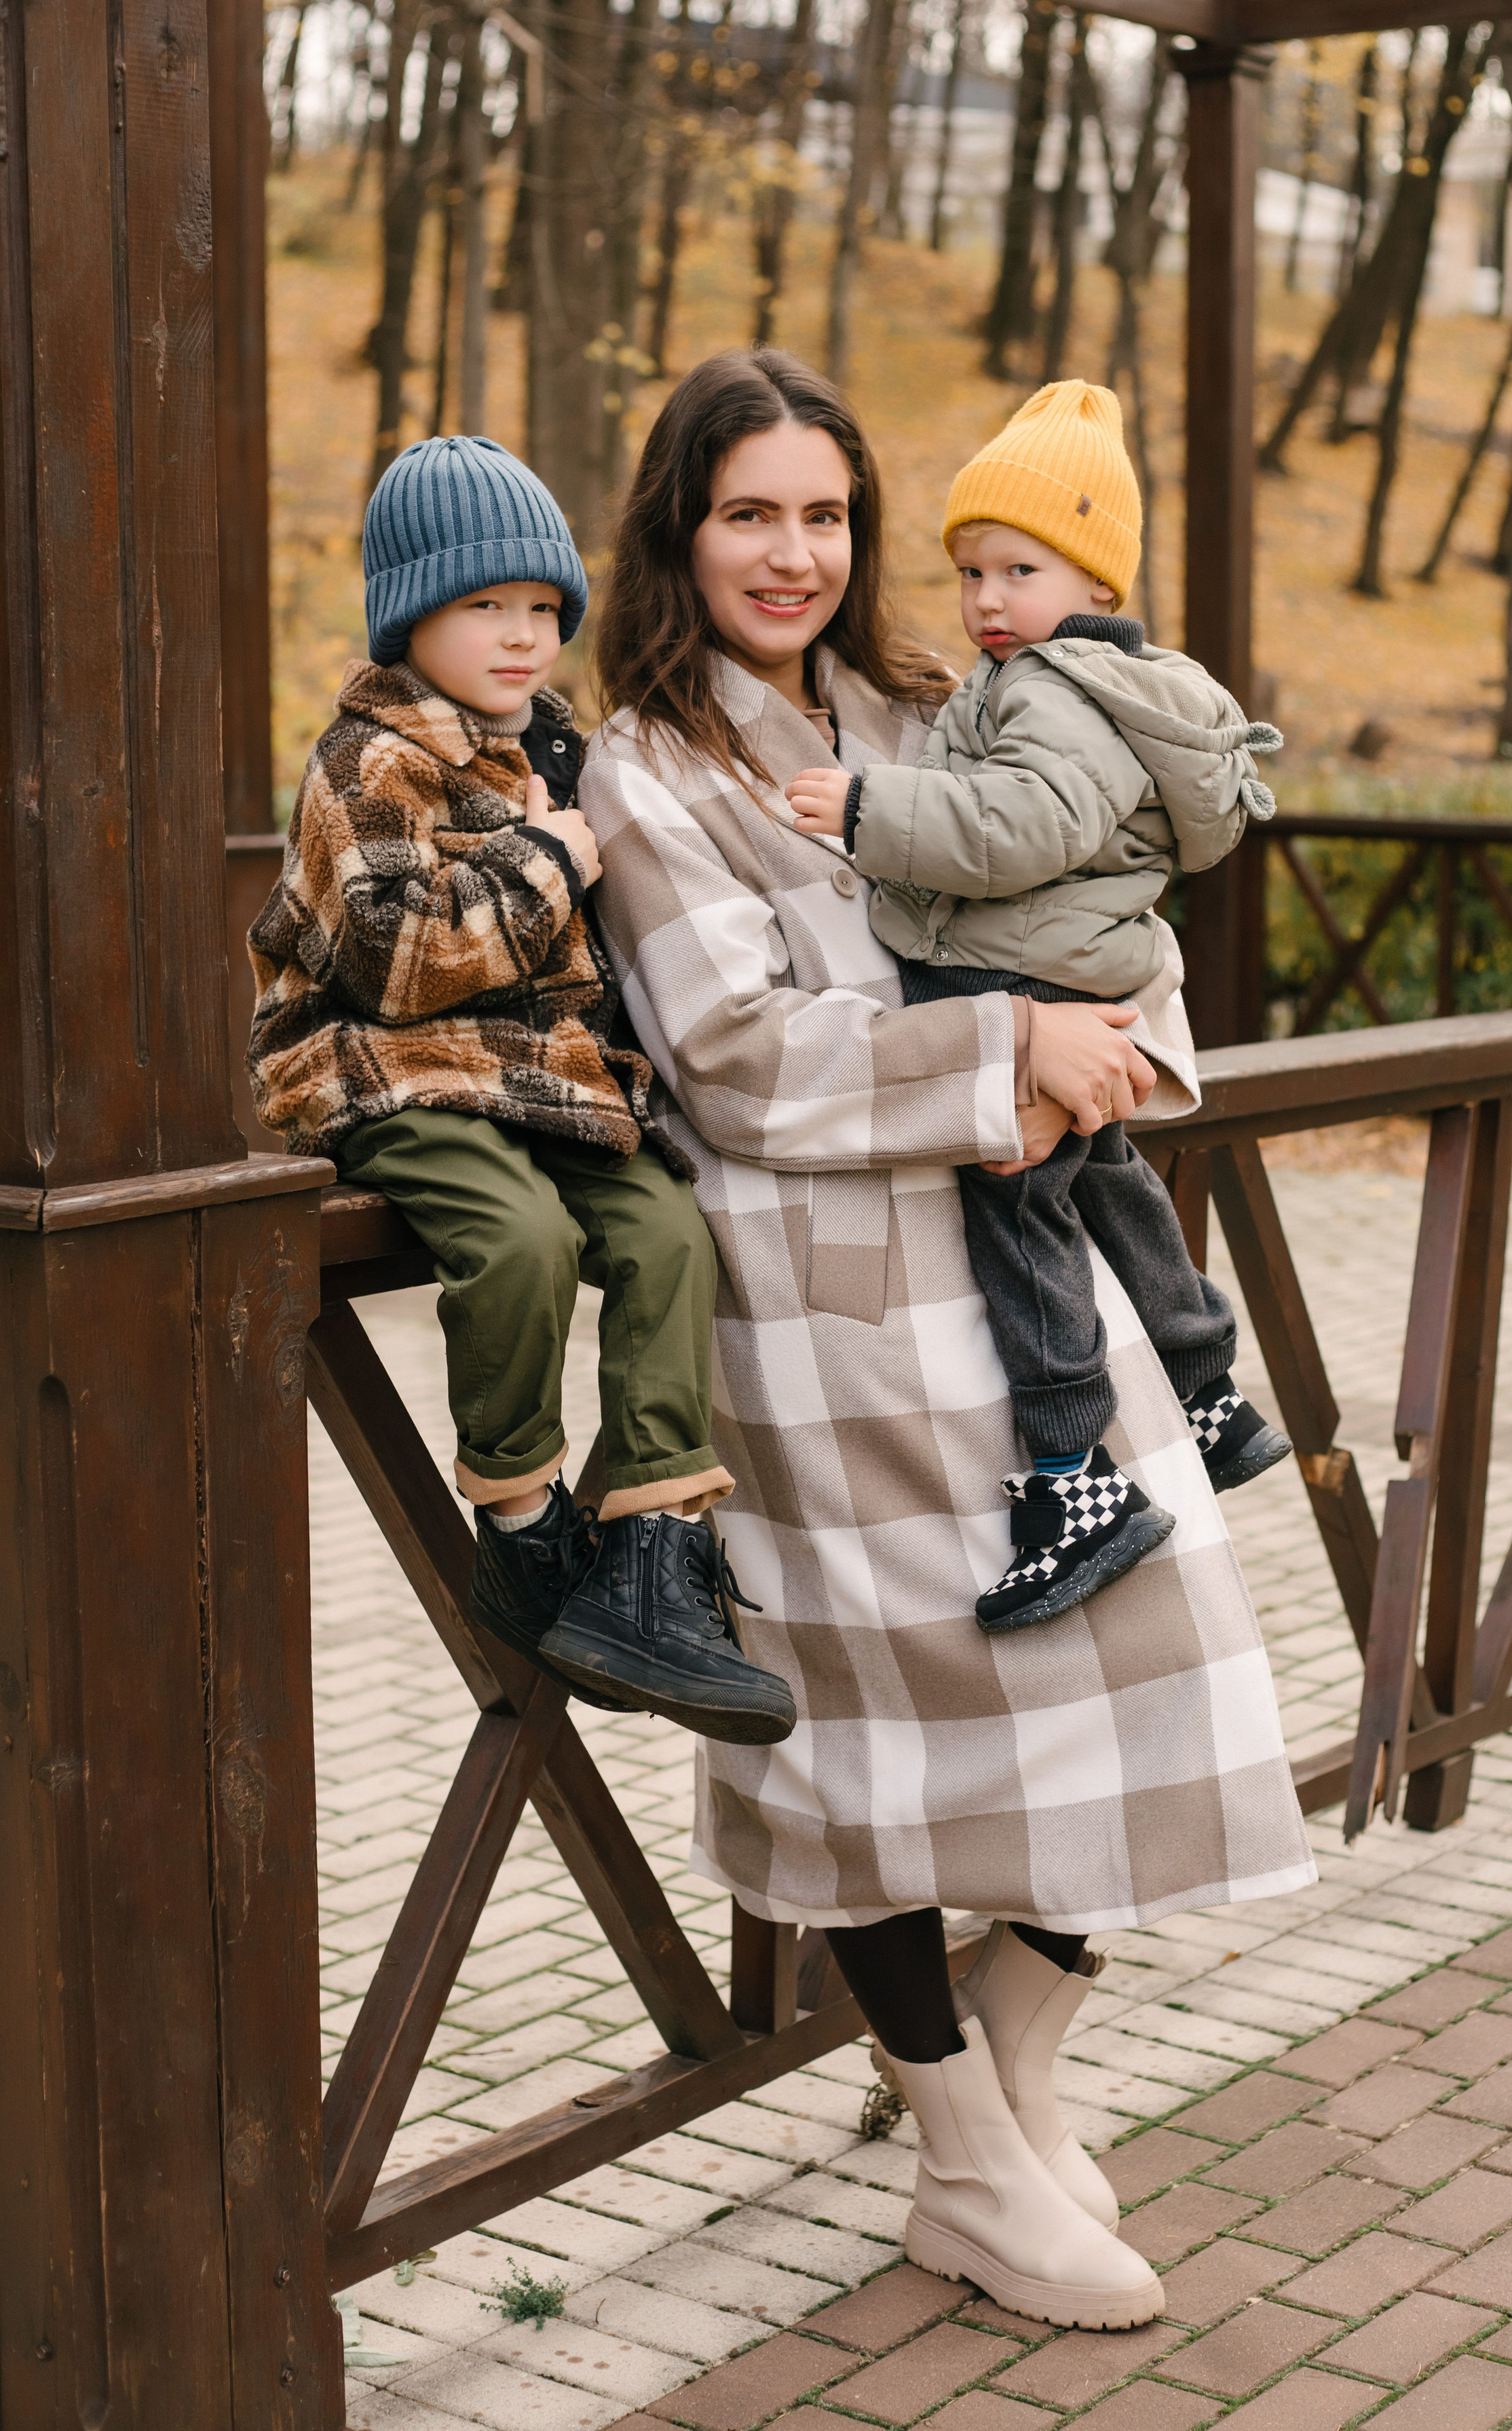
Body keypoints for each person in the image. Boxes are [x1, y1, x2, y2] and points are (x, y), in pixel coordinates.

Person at [570, 351, 1315, 2332]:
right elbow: (738, 1058)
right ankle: (969, 2157)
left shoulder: (951, 697)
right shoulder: (642, 768)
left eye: (824, 514)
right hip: (819, 1320)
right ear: (679, 531)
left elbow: (1125, 911)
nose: (794, 553)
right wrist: (1009, 1044)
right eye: (751, 515)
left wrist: (1120, 1042)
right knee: (872, 1754)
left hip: (1028, 1277)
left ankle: (1015, 2071)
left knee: (1158, 1664)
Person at [246, 433, 794, 1748]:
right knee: (520, 1241)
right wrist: (552, 859)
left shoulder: (550, 746)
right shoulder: (362, 763)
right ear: (410, 613)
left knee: (669, 1232)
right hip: (381, 1071)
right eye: (482, 605)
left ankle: (654, 1551)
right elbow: (398, 966)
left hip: (529, 1079)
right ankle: (519, 1521)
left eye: (543, 609)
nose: (520, 636)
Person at [787, 381, 1291, 1637]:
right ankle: (1205, 1380)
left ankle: (1073, 1479)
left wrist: (866, 811)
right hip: (1065, 975)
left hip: (1016, 983)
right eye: (968, 573)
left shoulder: (1056, 688)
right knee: (1109, 1179)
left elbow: (1026, 828)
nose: (987, 601)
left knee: (1020, 1216)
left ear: (1099, 586)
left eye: (1019, 568)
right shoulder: (1082, 680)